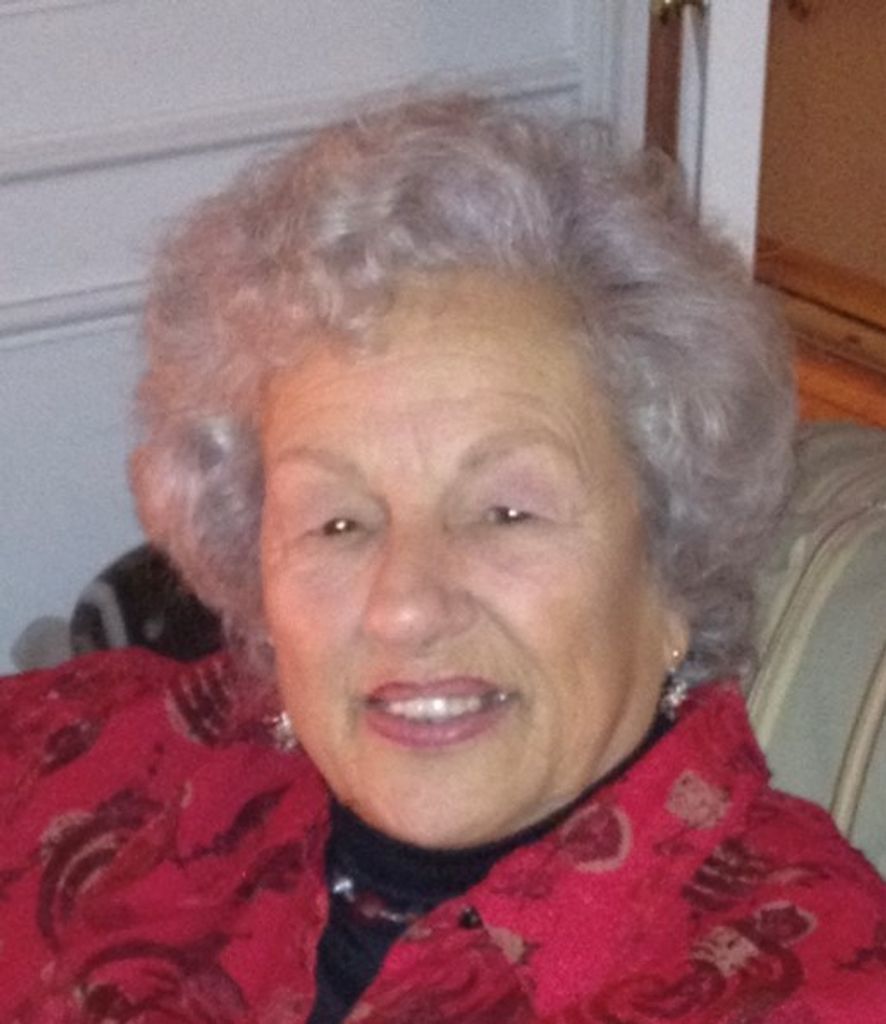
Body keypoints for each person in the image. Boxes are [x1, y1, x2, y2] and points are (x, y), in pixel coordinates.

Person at [1, 95, 884, 1024]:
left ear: (672, 564)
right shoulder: (95, 767)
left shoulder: (807, 984)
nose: (406, 606)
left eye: (506, 513)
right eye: (338, 523)